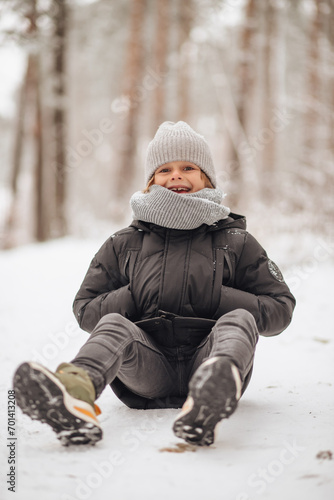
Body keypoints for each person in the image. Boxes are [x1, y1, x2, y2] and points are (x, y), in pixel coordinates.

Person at [13, 121, 296, 447]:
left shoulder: (236, 241)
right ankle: (73, 396)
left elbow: (280, 308)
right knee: (114, 324)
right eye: (164, 169)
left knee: (240, 319)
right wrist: (133, 296)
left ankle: (209, 397)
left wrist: (219, 298)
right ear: (150, 182)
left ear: (206, 178)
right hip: (147, 367)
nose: (176, 175)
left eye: (188, 167)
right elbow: (85, 309)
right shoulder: (123, 243)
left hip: (209, 357)